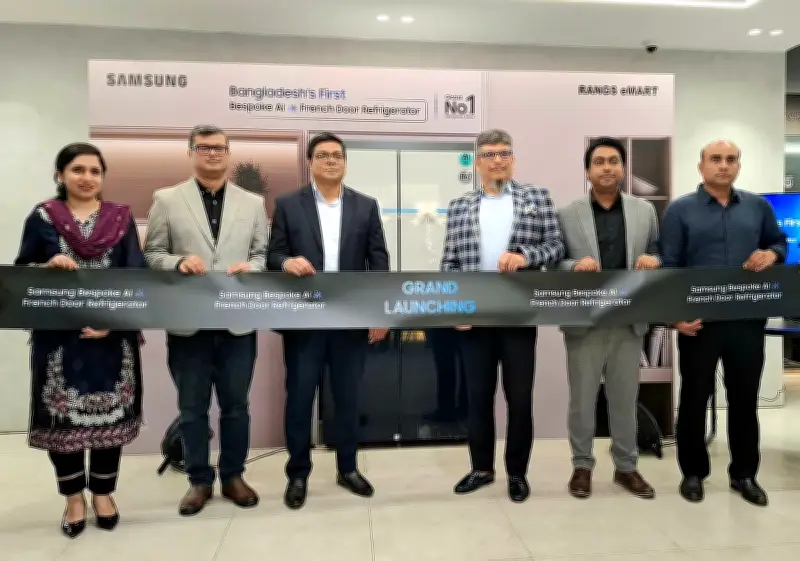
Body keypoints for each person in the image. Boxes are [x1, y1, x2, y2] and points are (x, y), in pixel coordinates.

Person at [14, 142, 145, 538]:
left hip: (112, 339)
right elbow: (21, 275)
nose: (87, 178)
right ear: (60, 175)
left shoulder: (120, 218)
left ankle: (103, 494)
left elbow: (136, 276)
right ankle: (73, 498)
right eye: (78, 170)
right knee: (62, 419)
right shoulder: (42, 217)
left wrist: (113, 323)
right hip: (59, 340)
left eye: (94, 171)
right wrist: (45, 265)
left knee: (111, 416)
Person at [143, 125, 269, 516]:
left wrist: (253, 267)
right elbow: (152, 254)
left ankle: (233, 475)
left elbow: (263, 254)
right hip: (188, 325)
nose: (213, 153)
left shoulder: (252, 203)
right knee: (192, 408)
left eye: (219, 148)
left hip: (237, 323)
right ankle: (198, 479)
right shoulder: (166, 199)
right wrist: (178, 261)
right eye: (204, 147)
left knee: (236, 406)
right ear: (191, 152)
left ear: (228, 153)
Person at [441, 129, 565, 503]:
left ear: (513, 159)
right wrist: (454, 307)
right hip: (474, 316)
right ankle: (481, 468)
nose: (498, 160)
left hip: (518, 315)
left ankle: (517, 473)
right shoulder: (460, 206)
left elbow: (556, 247)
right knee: (477, 397)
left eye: (504, 153)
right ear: (477, 162)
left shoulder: (537, 198)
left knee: (519, 398)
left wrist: (525, 256)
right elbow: (449, 263)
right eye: (490, 154)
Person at [267, 132, 390, 510]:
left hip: (349, 320)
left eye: (337, 155)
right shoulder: (289, 205)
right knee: (300, 398)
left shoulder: (366, 206)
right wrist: (286, 262)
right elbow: (273, 254)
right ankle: (298, 474)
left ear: (345, 162)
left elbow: (379, 262)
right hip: (304, 320)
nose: (331, 161)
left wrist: (378, 312)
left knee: (348, 398)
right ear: (310, 163)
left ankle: (347, 468)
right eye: (323, 155)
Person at [660, 139, 786, 507]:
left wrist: (772, 253)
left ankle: (744, 475)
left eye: (731, 159)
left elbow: (780, 244)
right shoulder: (679, 210)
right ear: (701, 167)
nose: (724, 165)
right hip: (698, 323)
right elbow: (669, 268)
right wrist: (673, 318)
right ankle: (693, 473)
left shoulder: (758, 207)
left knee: (744, 400)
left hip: (746, 320)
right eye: (715, 159)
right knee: (694, 399)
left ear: (738, 166)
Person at [557, 137, 660, 500]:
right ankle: (582, 466)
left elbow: (658, 250)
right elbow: (554, 261)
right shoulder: (566, 214)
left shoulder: (644, 211)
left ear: (623, 168)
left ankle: (626, 468)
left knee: (624, 399)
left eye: (613, 161)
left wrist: (654, 259)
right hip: (585, 322)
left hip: (628, 321)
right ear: (587, 171)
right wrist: (573, 265)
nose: (606, 167)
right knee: (582, 401)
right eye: (599, 161)